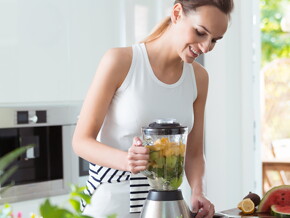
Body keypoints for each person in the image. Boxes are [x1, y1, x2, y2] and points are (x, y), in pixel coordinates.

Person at [72, 0, 234, 217]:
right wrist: (127, 160)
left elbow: (194, 153)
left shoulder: (199, 78)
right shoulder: (121, 61)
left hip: (167, 208)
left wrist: (197, 191)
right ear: (177, 13)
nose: (206, 47)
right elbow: (81, 142)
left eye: (214, 40)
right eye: (200, 32)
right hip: (112, 205)